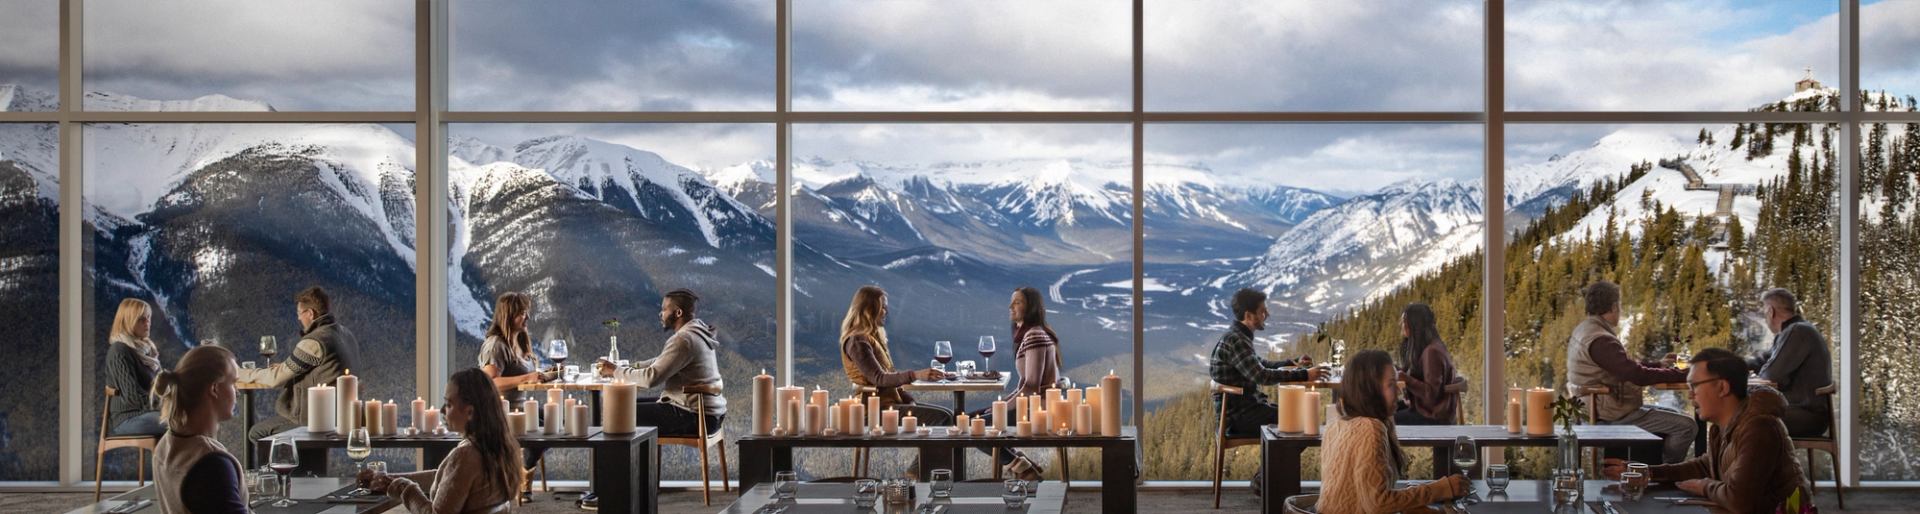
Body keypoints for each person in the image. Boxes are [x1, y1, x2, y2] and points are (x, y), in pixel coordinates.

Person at [1639, 348, 1809, 514]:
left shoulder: (1760, 428)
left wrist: (1705, 486)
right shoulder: (1723, 427)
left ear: (1722, 387)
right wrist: (1648, 472)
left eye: (1694, 386)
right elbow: (1706, 466)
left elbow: (1739, 501)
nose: (1690, 395)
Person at [1317, 350, 1466, 514]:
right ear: (1370, 390)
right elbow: (1378, 504)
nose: (1400, 391)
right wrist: (1441, 488)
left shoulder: (1333, 427)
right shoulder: (1370, 428)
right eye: (1391, 384)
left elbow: (1361, 499)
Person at [1566, 281, 1696, 464]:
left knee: (1675, 413)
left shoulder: (1585, 330)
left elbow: (1621, 367)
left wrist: (1658, 365)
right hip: (1611, 416)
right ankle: (1663, 474)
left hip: (1595, 410)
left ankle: (1655, 469)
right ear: (1613, 307)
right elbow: (1637, 376)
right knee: (1687, 426)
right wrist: (1688, 374)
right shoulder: (1601, 340)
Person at [1209, 288, 1320, 496]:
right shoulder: (1237, 341)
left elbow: (1261, 364)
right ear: (1248, 315)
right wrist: (1305, 375)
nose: (1266, 314)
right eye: (1262, 311)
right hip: (1239, 417)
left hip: (1243, 411)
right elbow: (1262, 376)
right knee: (1300, 424)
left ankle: (1268, 482)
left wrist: (1292, 364)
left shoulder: (1238, 337)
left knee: (1297, 421)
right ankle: (1268, 483)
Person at [364, 368, 521, 514]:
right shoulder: (501, 448)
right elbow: (448, 479)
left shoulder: (466, 456)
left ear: (470, 412)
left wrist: (403, 488)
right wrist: (389, 478)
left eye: (449, 404)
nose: (442, 410)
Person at [595, 288, 726, 436]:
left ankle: (628, 459)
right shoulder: (697, 332)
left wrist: (614, 371)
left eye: (664, 309)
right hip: (709, 414)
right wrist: (629, 367)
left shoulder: (683, 339)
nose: (661, 314)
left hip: (694, 416)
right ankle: (641, 458)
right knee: (626, 403)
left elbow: (650, 379)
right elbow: (661, 360)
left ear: (678, 313)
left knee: (618, 410)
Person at [241, 286, 363, 440]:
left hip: (316, 419)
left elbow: (274, 379)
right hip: (344, 415)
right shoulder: (345, 333)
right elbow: (325, 369)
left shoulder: (315, 341)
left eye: (299, 313)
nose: (298, 318)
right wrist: (285, 367)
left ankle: (286, 463)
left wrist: (237, 372)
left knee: (256, 433)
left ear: (310, 313)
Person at [967, 287, 1060, 481]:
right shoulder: (1031, 333)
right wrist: (997, 407)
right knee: (970, 419)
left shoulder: (1034, 335)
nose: (1011, 306)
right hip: (1032, 404)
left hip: (1038, 408)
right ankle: (1020, 462)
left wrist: (999, 409)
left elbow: (1032, 386)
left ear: (1031, 307)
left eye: (1017, 302)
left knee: (974, 429)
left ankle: (1024, 470)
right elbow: (1023, 385)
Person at [152, 345, 249, 514]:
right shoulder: (212, 465)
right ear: (214, 389)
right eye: (233, 383)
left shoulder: (165, 445)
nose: (237, 392)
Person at [840, 286, 951, 425]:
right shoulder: (857, 341)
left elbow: (890, 378)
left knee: (948, 415)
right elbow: (879, 378)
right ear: (869, 310)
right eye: (883, 307)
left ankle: (930, 446)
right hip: (875, 410)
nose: (886, 312)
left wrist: (909, 400)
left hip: (889, 404)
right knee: (943, 418)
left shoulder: (871, 338)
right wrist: (916, 375)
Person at [1748, 288, 1833, 438]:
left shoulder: (1798, 332)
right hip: (1803, 412)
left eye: (1764, 313)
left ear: (1770, 311)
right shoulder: (1793, 332)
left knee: (1744, 417)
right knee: (1740, 414)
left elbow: (1770, 375)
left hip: (1807, 416)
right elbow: (1761, 361)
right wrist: (1729, 366)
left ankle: (1754, 462)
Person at [105, 298, 168, 437]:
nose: (148, 323)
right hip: (128, 418)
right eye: (141, 319)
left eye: (149, 318)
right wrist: (167, 405)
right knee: (181, 421)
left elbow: (160, 388)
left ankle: (182, 459)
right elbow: (133, 397)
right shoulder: (119, 350)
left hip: (149, 412)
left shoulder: (148, 351)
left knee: (192, 417)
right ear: (127, 321)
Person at [478, 291, 553, 403]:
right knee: (555, 419)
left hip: (522, 407)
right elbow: (489, 382)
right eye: (522, 313)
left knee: (559, 418)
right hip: (503, 413)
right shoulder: (496, 345)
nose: (528, 317)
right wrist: (527, 378)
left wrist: (545, 374)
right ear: (509, 316)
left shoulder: (520, 342)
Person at [1394, 303, 1457, 426]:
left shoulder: (1432, 352)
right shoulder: (1430, 347)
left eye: (1405, 322)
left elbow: (1432, 394)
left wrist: (1406, 379)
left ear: (1415, 325)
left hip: (1433, 416)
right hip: (1426, 409)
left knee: (1384, 421)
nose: (1402, 325)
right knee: (1383, 411)